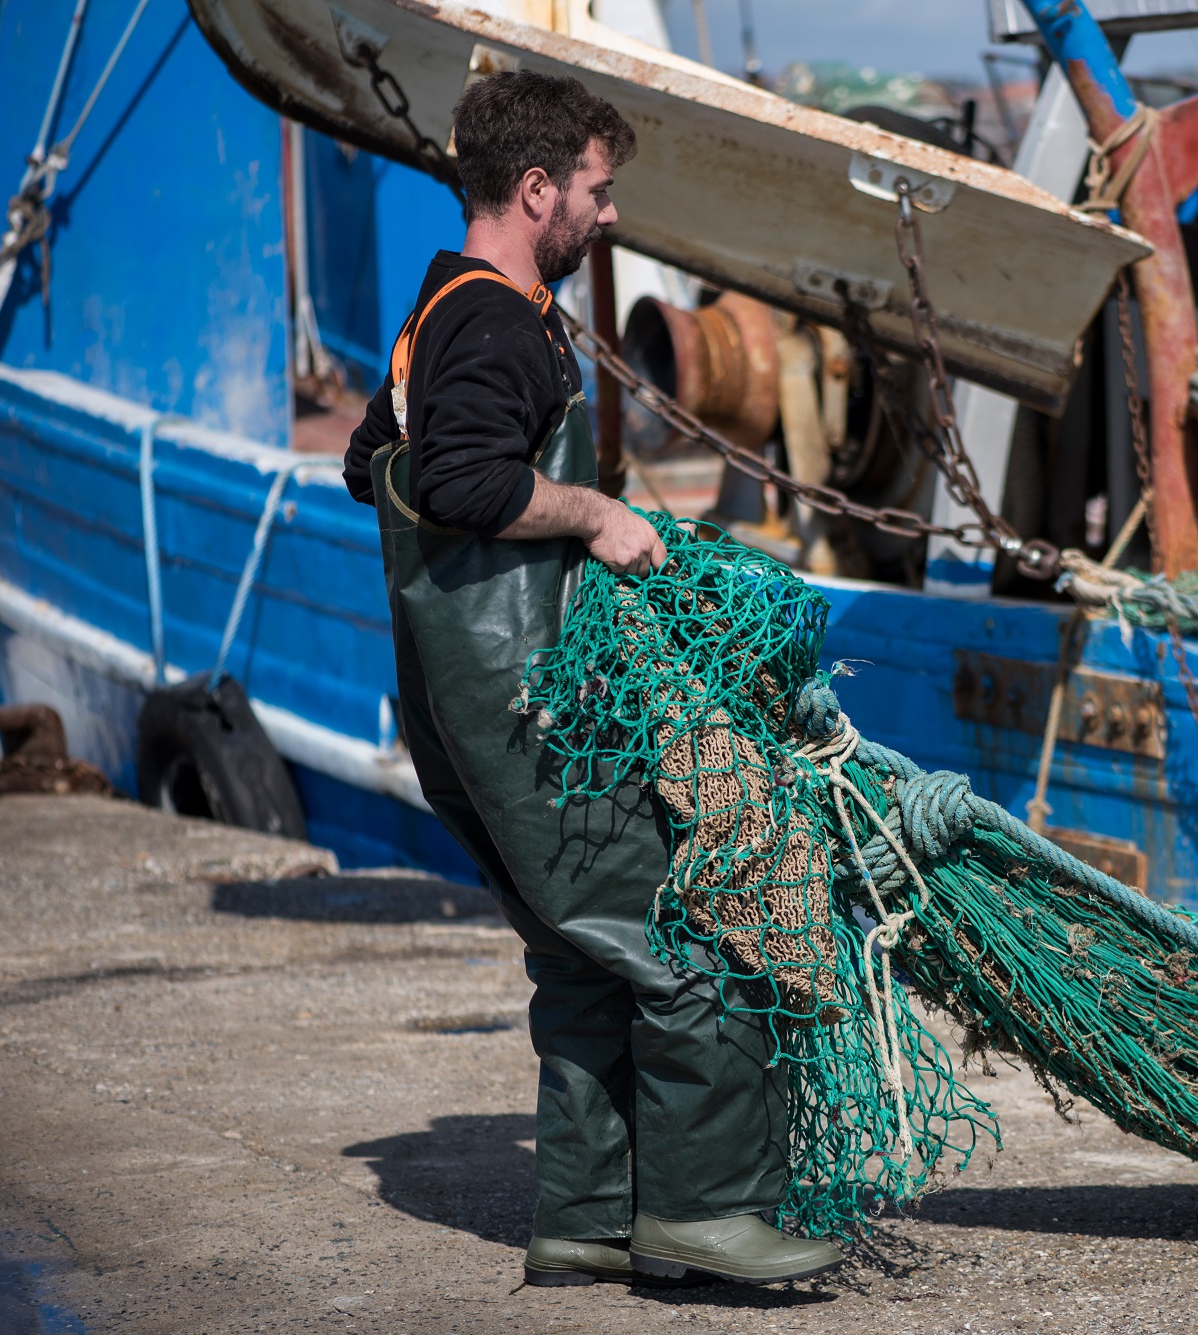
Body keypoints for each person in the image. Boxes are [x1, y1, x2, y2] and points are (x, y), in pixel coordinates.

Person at [342, 69, 841, 1290]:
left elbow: (373, 465)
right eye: (596, 191)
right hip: (531, 707)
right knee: (690, 932)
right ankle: (702, 1215)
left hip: (454, 709)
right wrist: (591, 514)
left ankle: (583, 1218)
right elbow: (457, 484)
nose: (607, 216)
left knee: (581, 956)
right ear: (535, 189)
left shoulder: (434, 310)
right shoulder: (503, 322)